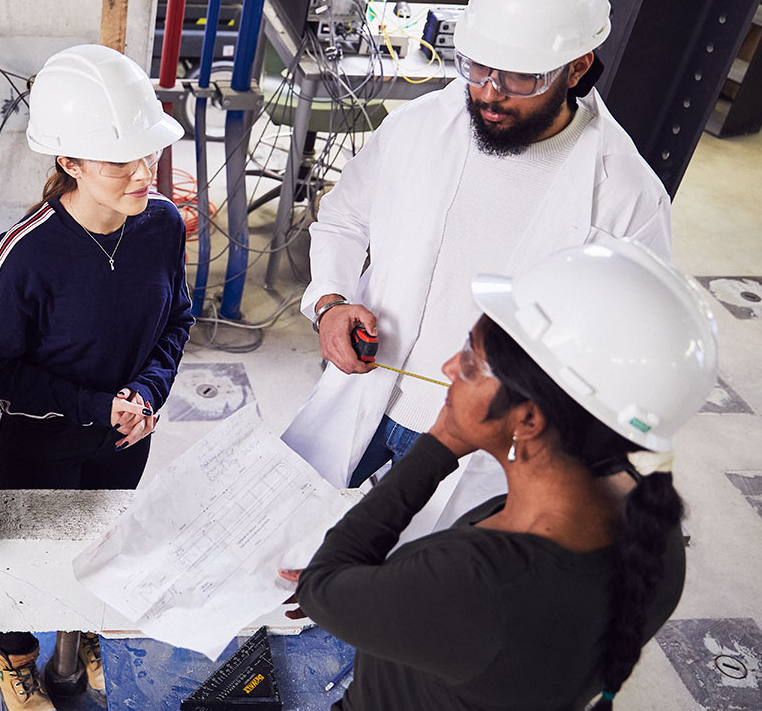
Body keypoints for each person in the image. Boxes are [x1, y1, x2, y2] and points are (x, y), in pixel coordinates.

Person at [282, 0, 672, 534]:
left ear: (577, 67)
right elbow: (343, 219)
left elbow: (632, 352)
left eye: (519, 77)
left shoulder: (625, 195)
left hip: (487, 444)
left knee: (399, 601)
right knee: (287, 543)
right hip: (367, 391)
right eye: (476, 67)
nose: (490, 93)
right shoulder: (419, 127)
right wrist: (331, 302)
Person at [280, 238, 719, 709]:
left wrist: (443, 440)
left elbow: (322, 588)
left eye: (470, 361)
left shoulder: (482, 581)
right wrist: (388, 596)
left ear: (529, 419)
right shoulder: (654, 534)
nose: (450, 368)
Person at [0, 44, 194, 711]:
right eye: (120, 158)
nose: (141, 171)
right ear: (68, 160)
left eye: (147, 152)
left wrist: (147, 393)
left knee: (102, 550)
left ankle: (80, 632)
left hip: (127, 439)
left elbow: (177, 318)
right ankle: (13, 654)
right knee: (28, 565)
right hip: (46, 444)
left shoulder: (161, 226)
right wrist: (96, 405)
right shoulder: (27, 252)